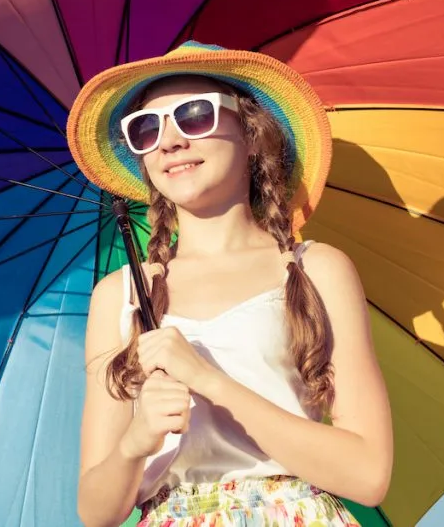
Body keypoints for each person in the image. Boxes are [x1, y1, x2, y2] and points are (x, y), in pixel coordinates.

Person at [66, 42, 393, 527]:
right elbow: (95, 511)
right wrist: (135, 441)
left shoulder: (315, 270)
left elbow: (368, 474)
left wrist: (210, 382)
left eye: (193, 116)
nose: (169, 141)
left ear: (252, 132)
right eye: (146, 128)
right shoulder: (120, 297)